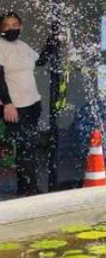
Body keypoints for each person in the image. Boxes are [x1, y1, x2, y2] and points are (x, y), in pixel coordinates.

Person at [0, 12, 57, 196]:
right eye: (7, 25)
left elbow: (40, 61)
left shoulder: (22, 45)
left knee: (29, 146)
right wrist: (7, 104)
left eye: (15, 24)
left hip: (32, 104)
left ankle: (25, 188)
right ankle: (30, 189)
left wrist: (52, 42)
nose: (11, 28)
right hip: (14, 107)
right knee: (25, 146)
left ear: (20, 27)